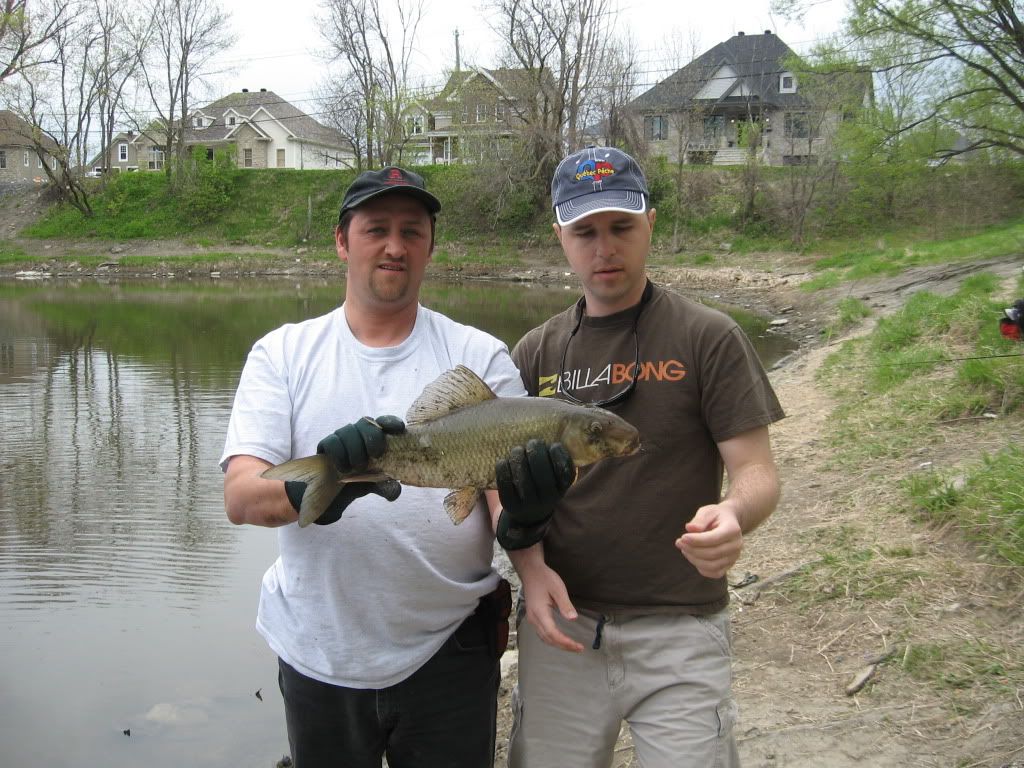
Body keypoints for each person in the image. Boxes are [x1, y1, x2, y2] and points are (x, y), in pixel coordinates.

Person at [219, 166, 567, 768]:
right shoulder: (282, 353)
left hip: (451, 650)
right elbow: (242, 496)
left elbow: (498, 501)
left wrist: (528, 532)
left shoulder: (479, 354)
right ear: (341, 241)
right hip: (318, 649)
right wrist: (317, 491)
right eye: (376, 229)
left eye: (412, 231)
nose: (394, 246)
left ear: (430, 245)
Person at [502, 146, 786, 768]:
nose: (604, 248)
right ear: (561, 239)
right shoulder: (533, 353)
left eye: (621, 227)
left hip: (683, 626)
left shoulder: (708, 335)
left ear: (649, 225)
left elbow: (757, 472)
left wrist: (736, 514)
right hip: (564, 630)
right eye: (585, 232)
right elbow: (500, 489)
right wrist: (526, 565)